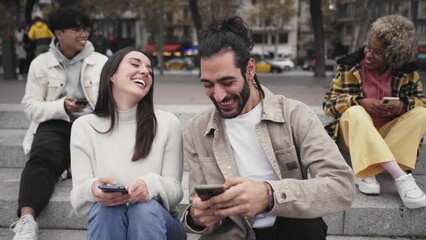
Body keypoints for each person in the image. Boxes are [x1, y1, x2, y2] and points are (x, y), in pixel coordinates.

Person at [181, 16, 355, 240]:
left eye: (227, 82)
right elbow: (197, 207)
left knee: (306, 228)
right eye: (208, 84)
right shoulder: (196, 130)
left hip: (289, 230)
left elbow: (342, 186)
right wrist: (196, 217)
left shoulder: (295, 115)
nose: (218, 95)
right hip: (231, 234)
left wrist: (269, 195)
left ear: (250, 69)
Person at [9, 8, 108, 240]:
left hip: (92, 124)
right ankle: (26, 220)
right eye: (77, 29)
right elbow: (30, 106)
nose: (84, 34)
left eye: (86, 28)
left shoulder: (102, 62)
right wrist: (61, 106)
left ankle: (68, 168)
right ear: (59, 33)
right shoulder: (40, 64)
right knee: (42, 156)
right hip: (55, 121)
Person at [69, 47, 186, 240]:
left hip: (160, 223)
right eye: (135, 64)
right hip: (110, 222)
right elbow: (78, 195)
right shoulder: (84, 126)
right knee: (106, 210)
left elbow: (175, 191)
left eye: (149, 69)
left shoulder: (167, 123)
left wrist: (150, 185)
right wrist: (94, 189)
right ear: (111, 75)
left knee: (143, 209)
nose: (145, 72)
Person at [323, 15, 426, 209]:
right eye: (368, 47)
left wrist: (403, 105)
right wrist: (360, 101)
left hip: (390, 136)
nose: (368, 54)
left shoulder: (407, 72)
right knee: (357, 113)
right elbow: (329, 104)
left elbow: (421, 102)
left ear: (394, 56)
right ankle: (400, 177)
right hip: (353, 135)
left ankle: (367, 169)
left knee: (422, 114)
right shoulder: (350, 65)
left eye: (378, 52)